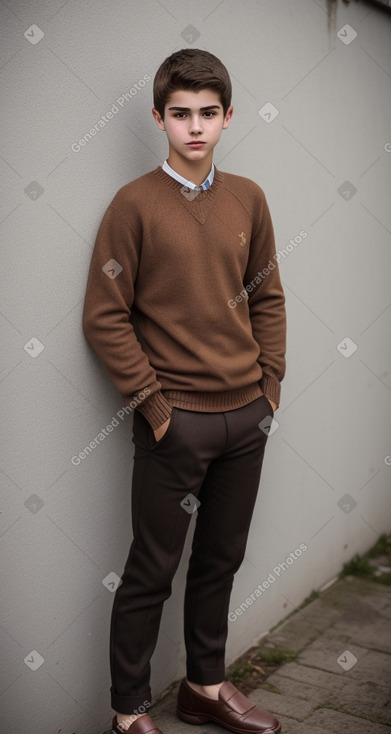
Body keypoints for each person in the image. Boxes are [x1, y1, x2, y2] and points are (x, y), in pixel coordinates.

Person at [83, 48, 286, 734]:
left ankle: (204, 686)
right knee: (150, 570)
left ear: (227, 118)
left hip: (246, 418)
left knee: (220, 562)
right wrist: (154, 407)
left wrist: (270, 388)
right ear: (158, 118)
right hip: (176, 423)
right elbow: (104, 315)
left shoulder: (248, 198)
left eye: (207, 114)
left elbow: (268, 298)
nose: (193, 127)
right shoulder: (133, 205)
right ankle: (129, 711)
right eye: (179, 115)